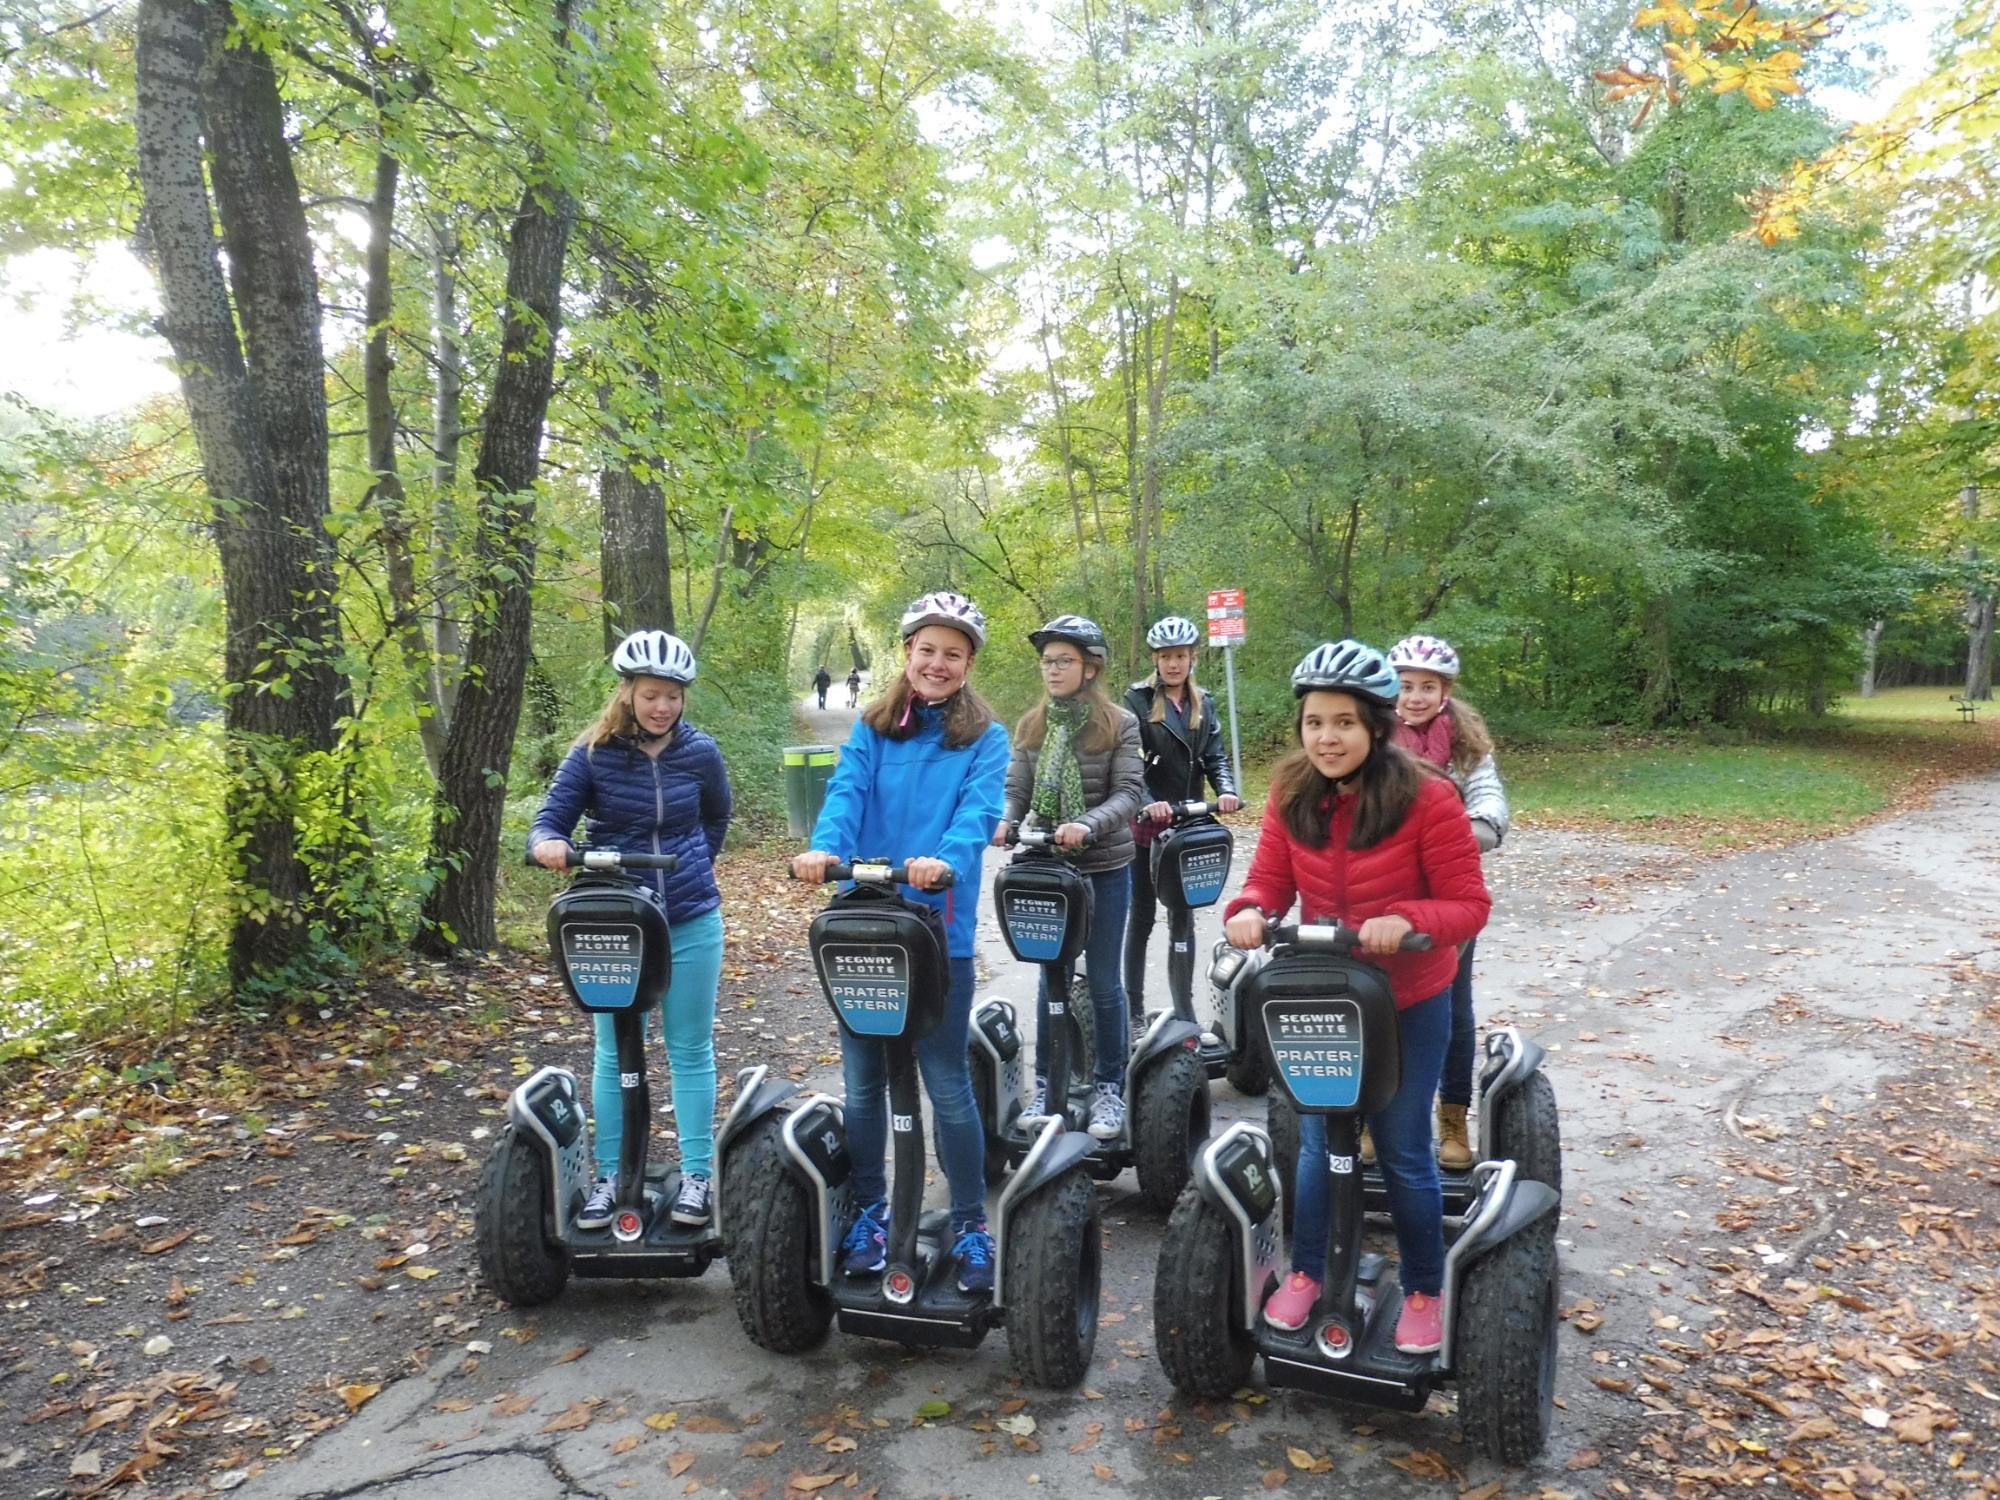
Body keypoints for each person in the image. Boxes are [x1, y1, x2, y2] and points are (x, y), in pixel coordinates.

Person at [1222, 639, 1489, 1354]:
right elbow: (1269, 879)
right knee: (1318, 1143)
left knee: (1402, 1149)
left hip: (1407, 1001)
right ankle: (1308, 1270)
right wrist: (1249, 908)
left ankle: (1427, 1286)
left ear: (1377, 725)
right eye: (1314, 722)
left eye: (1343, 722)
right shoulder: (1291, 792)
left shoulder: (1429, 797)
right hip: (1325, 993)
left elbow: (1468, 905)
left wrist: (1408, 924)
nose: (1327, 737)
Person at [791, 592, 1010, 1292]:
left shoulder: (986, 737)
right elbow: (845, 797)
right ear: (907, 653)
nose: (937, 663)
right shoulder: (873, 727)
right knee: (861, 1087)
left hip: (935, 930)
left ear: (969, 662)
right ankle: (870, 1214)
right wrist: (824, 851)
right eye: (927, 650)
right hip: (864, 923)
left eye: (952, 653)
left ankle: (972, 1224)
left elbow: (978, 814)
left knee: (946, 1084)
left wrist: (942, 859)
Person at [529, 630, 733, 1229]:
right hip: (617, 924)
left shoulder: (701, 752)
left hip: (691, 916)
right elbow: (550, 820)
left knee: (690, 1047)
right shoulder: (592, 754)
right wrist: (548, 845)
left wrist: (692, 866)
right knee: (614, 1048)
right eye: (650, 695)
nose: (662, 706)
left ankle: (696, 1175)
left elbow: (717, 816)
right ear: (628, 694)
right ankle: (612, 1176)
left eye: (672, 695)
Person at [994, 614, 1146, 1140]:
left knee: (1104, 981)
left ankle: (1109, 1089)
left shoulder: (1120, 723)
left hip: (1104, 868)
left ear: (1090, 667)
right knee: (1049, 977)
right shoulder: (1032, 725)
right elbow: (1017, 787)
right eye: (1047, 661)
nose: (1052, 670)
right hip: (1048, 871)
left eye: (1063, 661)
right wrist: (1007, 819)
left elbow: (1130, 794)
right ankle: (1047, 1085)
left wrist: (1087, 823)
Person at [1387, 633, 1509, 1172]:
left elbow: (1489, 804)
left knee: (1451, 1007)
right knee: (1378, 1000)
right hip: (1382, 892)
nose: (1414, 696)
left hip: (1447, 892)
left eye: (1426, 687)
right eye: (1406, 685)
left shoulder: (1465, 747)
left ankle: (1453, 1119)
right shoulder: (1371, 736)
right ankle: (1373, 1117)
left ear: (1445, 692)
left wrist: (1455, 832)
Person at [1121, 615, 1241, 1037]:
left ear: (1192, 658)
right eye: (1166, 657)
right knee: (1141, 916)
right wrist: (1149, 804)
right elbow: (1129, 765)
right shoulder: (1136, 701)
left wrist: (1225, 789)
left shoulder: (1202, 702)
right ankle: (1134, 1014)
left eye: (1181, 656)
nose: (1174, 664)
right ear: (1156, 660)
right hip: (1148, 825)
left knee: (1183, 917)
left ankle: (1184, 1010)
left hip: (1188, 823)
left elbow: (1216, 756)